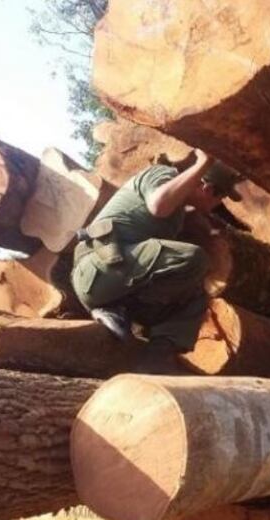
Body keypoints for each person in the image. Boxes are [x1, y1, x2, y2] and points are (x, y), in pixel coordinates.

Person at [71, 149, 243, 373]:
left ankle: (156, 357)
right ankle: (111, 306)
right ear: (207, 189)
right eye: (219, 199)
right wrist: (203, 163)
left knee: (196, 296)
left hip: (121, 278)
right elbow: (158, 205)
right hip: (97, 272)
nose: (216, 206)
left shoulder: (178, 212)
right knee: (193, 258)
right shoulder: (161, 175)